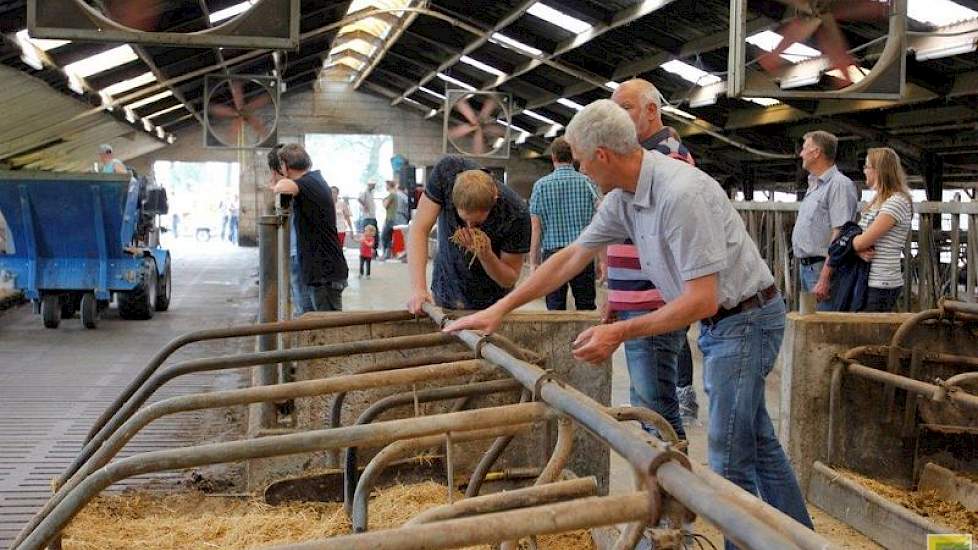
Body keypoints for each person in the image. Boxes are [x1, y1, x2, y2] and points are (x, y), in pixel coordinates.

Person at [443, 100, 814, 542]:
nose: (580, 172)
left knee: (728, 454)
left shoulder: (680, 194)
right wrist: (500, 309)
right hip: (725, 320)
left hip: (745, 319)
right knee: (758, 442)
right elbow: (571, 257)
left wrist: (620, 330)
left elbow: (701, 299)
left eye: (580, 161)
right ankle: (803, 539)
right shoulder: (624, 197)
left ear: (601, 155)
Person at [611, 78, 698, 434]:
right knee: (647, 404)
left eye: (625, 108)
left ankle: (670, 485)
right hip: (640, 297)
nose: (617, 117)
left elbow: (648, 226)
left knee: (656, 410)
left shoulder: (666, 158)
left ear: (651, 110)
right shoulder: (645, 158)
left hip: (654, 300)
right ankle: (657, 484)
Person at [407, 156, 530, 314]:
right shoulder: (445, 173)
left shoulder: (515, 214)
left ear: (494, 200)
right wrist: (419, 289)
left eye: (477, 223)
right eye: (463, 220)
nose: (469, 227)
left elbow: (509, 278)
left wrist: (486, 256)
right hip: (446, 290)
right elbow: (419, 229)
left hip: (492, 304)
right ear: (452, 198)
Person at [268, 144, 348, 313]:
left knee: (326, 331)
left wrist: (276, 183)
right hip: (317, 272)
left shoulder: (309, 182)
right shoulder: (313, 180)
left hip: (325, 274)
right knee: (311, 327)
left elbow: (283, 187)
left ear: (284, 166)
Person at [528, 136, 598, 311]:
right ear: (573, 157)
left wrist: (534, 262)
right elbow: (601, 218)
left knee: (554, 309)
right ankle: (585, 338)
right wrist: (600, 259)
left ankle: (559, 339)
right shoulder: (587, 182)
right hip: (581, 254)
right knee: (586, 307)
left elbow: (536, 228)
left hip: (553, 257)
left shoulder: (540, 186)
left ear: (553, 157)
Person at [791, 130, 859, 310]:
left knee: (823, 326)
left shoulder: (839, 185)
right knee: (811, 324)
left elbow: (840, 233)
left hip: (822, 268)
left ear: (816, 152)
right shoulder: (815, 184)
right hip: (807, 267)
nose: (801, 154)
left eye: (805, 149)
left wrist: (824, 277)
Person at [853, 148, 913, 312]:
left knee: (871, 334)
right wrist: (855, 249)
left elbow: (862, 241)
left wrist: (852, 245)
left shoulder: (896, 202)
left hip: (881, 283)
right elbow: (857, 240)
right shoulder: (876, 201)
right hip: (869, 279)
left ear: (879, 170)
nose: (864, 171)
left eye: (867, 167)